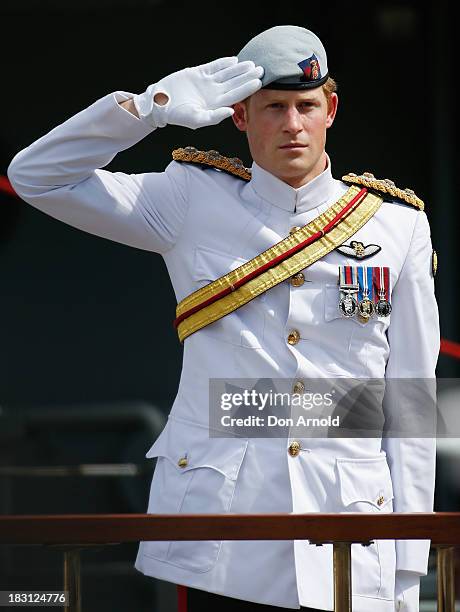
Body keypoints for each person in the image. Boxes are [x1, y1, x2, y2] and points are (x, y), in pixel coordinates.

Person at [7, 24, 439, 612]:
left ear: (330, 109)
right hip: (224, 533)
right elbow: (37, 177)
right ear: (239, 117)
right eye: (274, 108)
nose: (292, 124)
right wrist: (148, 109)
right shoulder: (190, 198)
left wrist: (409, 560)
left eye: (306, 106)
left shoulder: (397, 226)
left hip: (350, 529)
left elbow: (410, 398)